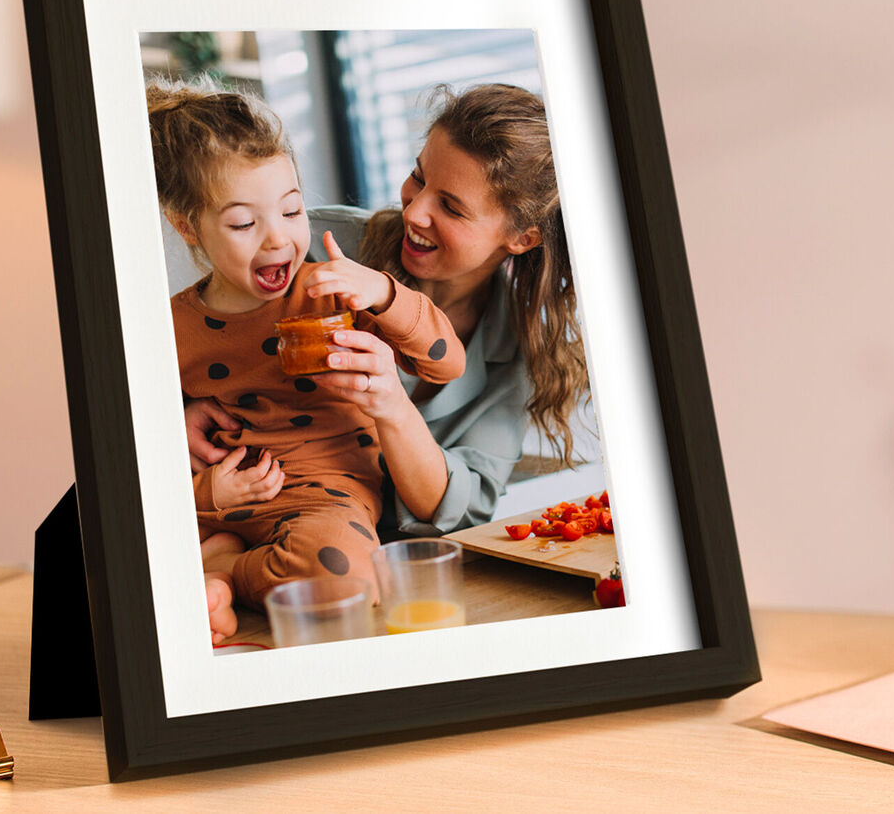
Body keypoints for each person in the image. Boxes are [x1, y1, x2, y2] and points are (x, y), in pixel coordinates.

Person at [187, 83, 588, 539]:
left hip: (371, 556)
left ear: (521, 239)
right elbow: (186, 324)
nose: (415, 210)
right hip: (236, 519)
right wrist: (181, 407)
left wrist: (392, 407)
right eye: (418, 178)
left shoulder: (514, 347)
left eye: (451, 208)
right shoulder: (306, 242)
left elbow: (463, 510)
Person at [148, 79, 464, 643]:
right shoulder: (168, 327)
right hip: (217, 496)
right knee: (130, 552)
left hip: (325, 495)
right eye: (245, 224)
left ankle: (218, 577)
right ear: (188, 227)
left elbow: (445, 364)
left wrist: (384, 294)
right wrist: (205, 491)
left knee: (347, 577)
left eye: (292, 211)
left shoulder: (333, 290)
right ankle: (213, 564)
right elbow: (134, 443)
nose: (278, 240)